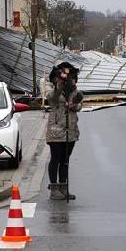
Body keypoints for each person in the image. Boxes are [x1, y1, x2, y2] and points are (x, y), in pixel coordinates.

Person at [45, 61, 83, 201]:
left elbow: (78, 105)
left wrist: (74, 104)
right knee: (55, 159)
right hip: (56, 131)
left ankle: (63, 187)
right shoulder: (52, 88)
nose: (70, 79)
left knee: (65, 160)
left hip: (70, 131)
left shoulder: (73, 89)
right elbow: (52, 97)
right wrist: (60, 83)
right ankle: (54, 189)